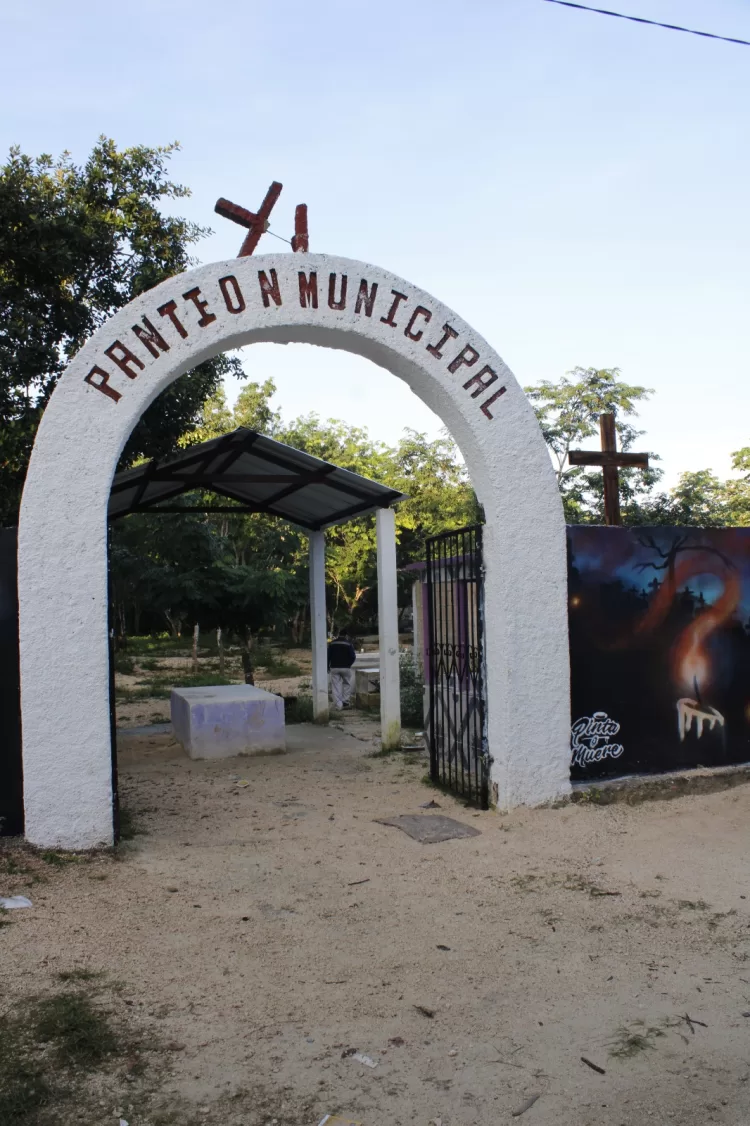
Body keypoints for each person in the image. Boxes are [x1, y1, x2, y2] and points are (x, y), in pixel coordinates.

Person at [327, 631, 357, 710]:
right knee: (346, 684)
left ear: (338, 635)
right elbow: (353, 656)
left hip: (334, 667)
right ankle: (345, 702)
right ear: (346, 635)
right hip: (346, 668)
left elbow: (328, 656)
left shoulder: (332, 644)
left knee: (336, 686)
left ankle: (338, 705)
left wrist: (327, 666)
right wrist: (349, 664)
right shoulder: (348, 644)